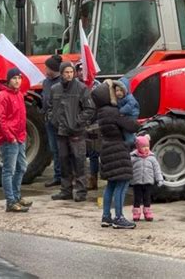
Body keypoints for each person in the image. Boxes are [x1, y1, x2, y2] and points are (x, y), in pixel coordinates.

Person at [91, 80, 140, 229]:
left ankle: (106, 216)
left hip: (106, 148)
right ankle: (119, 217)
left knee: (111, 184)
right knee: (123, 182)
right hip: (118, 149)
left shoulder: (101, 112)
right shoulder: (114, 112)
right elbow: (131, 126)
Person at [48, 61, 95, 202]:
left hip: (76, 132)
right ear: (61, 73)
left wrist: (77, 122)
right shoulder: (55, 89)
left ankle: (81, 191)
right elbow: (50, 107)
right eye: (66, 72)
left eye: (71, 72)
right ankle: (65, 190)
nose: (69, 75)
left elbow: (90, 109)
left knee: (79, 162)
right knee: (63, 162)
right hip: (60, 132)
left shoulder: (81, 88)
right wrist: (53, 119)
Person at [0, 68, 32, 212]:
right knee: (9, 170)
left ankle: (16, 195)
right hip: (9, 139)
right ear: (8, 80)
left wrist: (23, 134)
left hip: (20, 137)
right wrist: (10, 137)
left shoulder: (20, 95)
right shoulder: (2, 96)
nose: (17, 81)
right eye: (14, 78)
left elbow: (21, 117)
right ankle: (10, 201)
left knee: (22, 167)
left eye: (19, 78)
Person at [75, 62, 101, 190]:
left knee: (93, 153)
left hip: (94, 123)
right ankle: (80, 179)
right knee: (79, 153)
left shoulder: (97, 86)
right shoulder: (73, 86)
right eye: (79, 70)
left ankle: (93, 179)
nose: (81, 72)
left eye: (84, 69)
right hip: (79, 122)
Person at [130, 135, 164, 221]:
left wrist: (159, 179)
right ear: (138, 147)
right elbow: (129, 169)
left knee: (147, 198)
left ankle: (147, 212)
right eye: (143, 146)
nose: (146, 148)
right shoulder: (133, 157)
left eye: (147, 146)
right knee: (137, 198)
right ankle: (136, 213)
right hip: (136, 182)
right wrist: (127, 179)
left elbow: (157, 169)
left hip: (148, 182)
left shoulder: (152, 158)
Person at [42, 55, 63, 187]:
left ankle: (64, 176)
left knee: (62, 150)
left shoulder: (62, 83)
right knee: (54, 149)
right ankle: (57, 176)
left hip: (59, 121)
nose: (45, 69)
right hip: (48, 120)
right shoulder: (46, 82)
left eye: (47, 67)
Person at [112, 77, 140, 147]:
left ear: (126, 90)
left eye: (121, 90)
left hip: (132, 115)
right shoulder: (119, 99)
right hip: (126, 116)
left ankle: (131, 143)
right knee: (126, 130)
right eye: (117, 90)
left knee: (127, 130)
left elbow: (129, 106)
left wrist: (120, 111)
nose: (118, 93)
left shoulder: (129, 97)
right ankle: (133, 141)